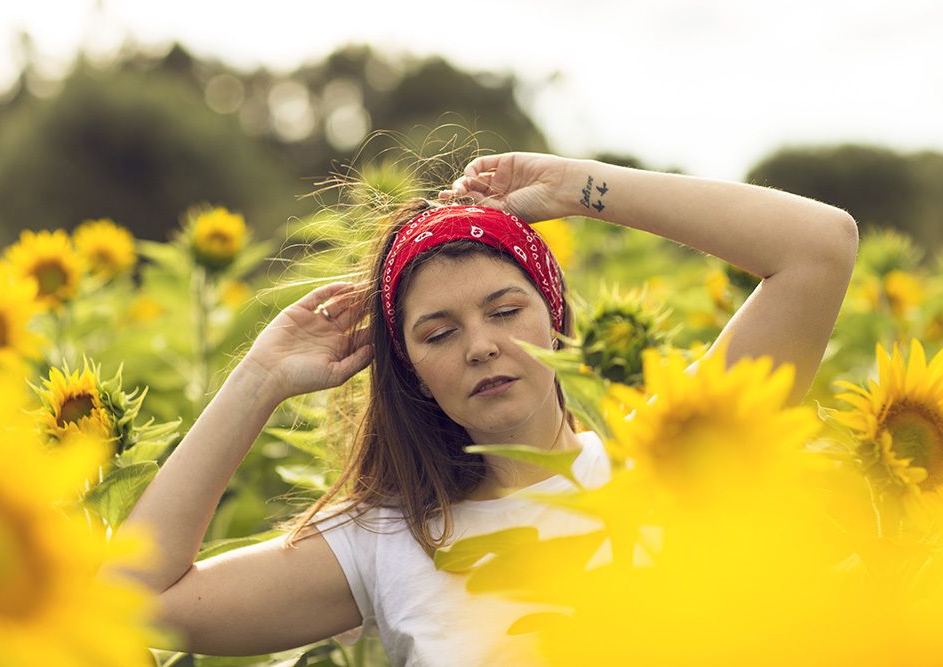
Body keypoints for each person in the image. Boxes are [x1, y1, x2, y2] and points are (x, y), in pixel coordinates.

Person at [101, 151, 858, 665]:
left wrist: (574, 190)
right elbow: (133, 596)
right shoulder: (389, 538)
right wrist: (261, 375)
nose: (481, 346)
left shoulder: (671, 453)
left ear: (555, 318)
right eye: (439, 332)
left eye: (505, 310)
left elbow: (820, 246)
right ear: (414, 373)